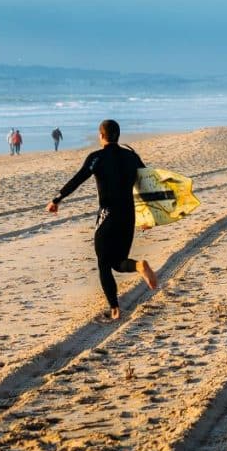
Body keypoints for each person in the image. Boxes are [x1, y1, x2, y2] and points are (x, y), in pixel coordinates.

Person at [46, 119, 157, 321]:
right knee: (119, 262)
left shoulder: (97, 157)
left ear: (101, 136)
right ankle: (139, 266)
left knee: (104, 263)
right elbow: (147, 183)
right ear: (118, 135)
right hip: (128, 215)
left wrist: (57, 199)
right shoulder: (131, 156)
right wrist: (149, 216)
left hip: (108, 215)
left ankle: (114, 308)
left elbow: (78, 179)